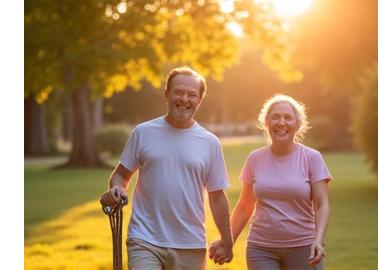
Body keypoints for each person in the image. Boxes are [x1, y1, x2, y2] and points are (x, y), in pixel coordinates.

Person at [100, 66, 233, 270]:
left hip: (190, 244)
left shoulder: (210, 142)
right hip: (144, 239)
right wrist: (117, 189)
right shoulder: (143, 132)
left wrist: (227, 241)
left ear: (199, 100)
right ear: (167, 95)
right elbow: (120, 175)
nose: (184, 99)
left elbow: (216, 197)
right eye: (178, 92)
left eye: (192, 95)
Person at [209, 94, 332, 269]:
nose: (281, 122)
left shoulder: (312, 158)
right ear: (266, 123)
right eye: (275, 117)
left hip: (304, 248)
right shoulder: (255, 158)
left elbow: (322, 204)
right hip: (261, 249)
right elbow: (244, 206)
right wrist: (227, 242)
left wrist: (318, 241)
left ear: (297, 124)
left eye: (288, 117)